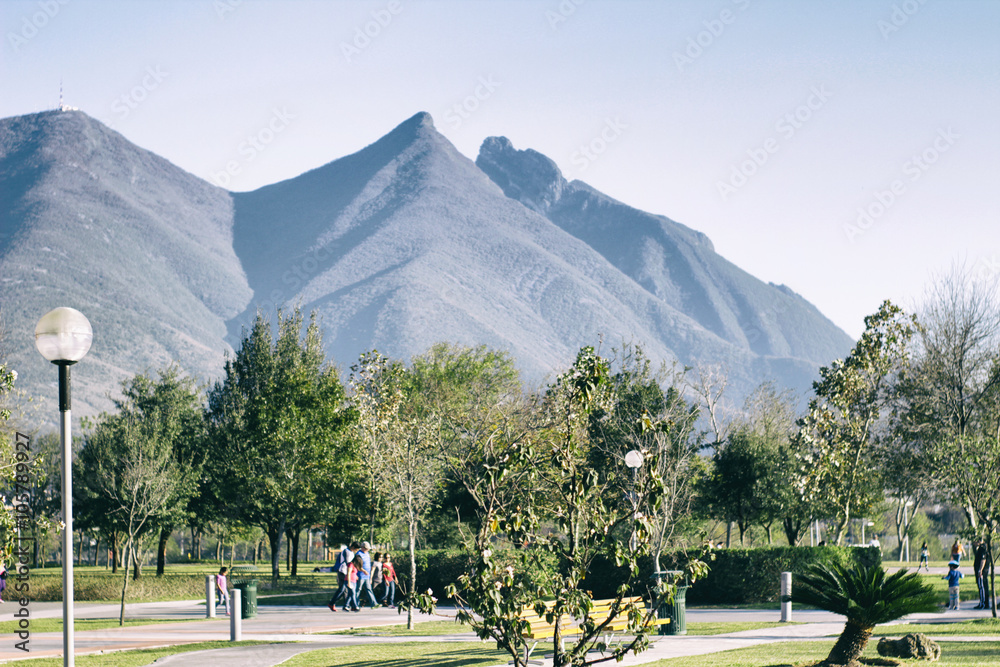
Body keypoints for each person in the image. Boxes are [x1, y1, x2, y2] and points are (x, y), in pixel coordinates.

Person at [328, 542, 357, 612]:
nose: (356, 551)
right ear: (353, 547)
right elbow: (349, 564)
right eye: (356, 549)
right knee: (343, 589)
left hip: (347, 573)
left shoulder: (351, 553)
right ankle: (346, 605)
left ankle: (347, 605)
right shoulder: (347, 552)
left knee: (345, 590)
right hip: (343, 572)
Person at [356, 541, 379, 608]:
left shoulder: (367, 553)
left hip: (367, 576)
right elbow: (357, 565)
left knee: (369, 589)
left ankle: (374, 603)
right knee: (358, 590)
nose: (367, 549)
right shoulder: (358, 554)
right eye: (366, 548)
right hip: (361, 575)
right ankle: (355, 604)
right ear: (362, 547)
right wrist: (363, 570)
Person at [974, 538, 989, 609]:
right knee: (982, 586)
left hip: (982, 571)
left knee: (982, 587)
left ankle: (983, 603)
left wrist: (980, 570)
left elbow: (983, 559)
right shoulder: (982, 547)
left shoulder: (983, 548)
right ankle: (984, 603)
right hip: (982, 570)